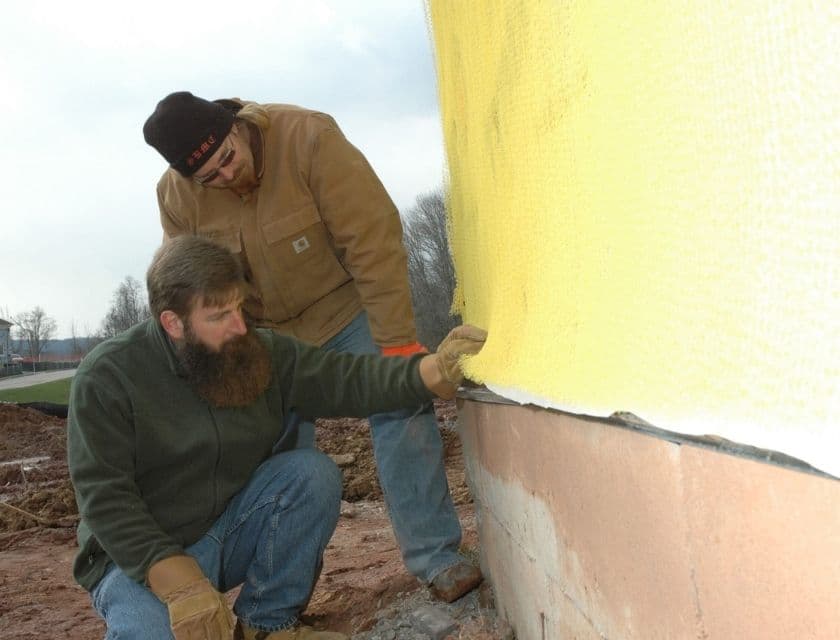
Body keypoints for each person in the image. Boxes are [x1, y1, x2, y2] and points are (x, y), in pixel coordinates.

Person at [142, 91, 482, 602]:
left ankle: (437, 558)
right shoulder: (176, 196)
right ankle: (278, 603)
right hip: (263, 336)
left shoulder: (309, 139)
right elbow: (188, 285)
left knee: (401, 407)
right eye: (209, 176)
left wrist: (395, 346)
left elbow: (373, 240)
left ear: (235, 127)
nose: (226, 176)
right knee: (276, 462)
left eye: (228, 160)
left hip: (346, 311)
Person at [67, 235, 487, 640]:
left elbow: (348, 379)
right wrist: (176, 582)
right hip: (135, 561)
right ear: (173, 323)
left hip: (223, 533)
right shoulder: (109, 378)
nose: (239, 326)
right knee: (159, 633)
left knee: (309, 474)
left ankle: (266, 625)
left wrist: (430, 371)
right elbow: (106, 498)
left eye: (238, 307)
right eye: (218, 317)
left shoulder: (259, 351)